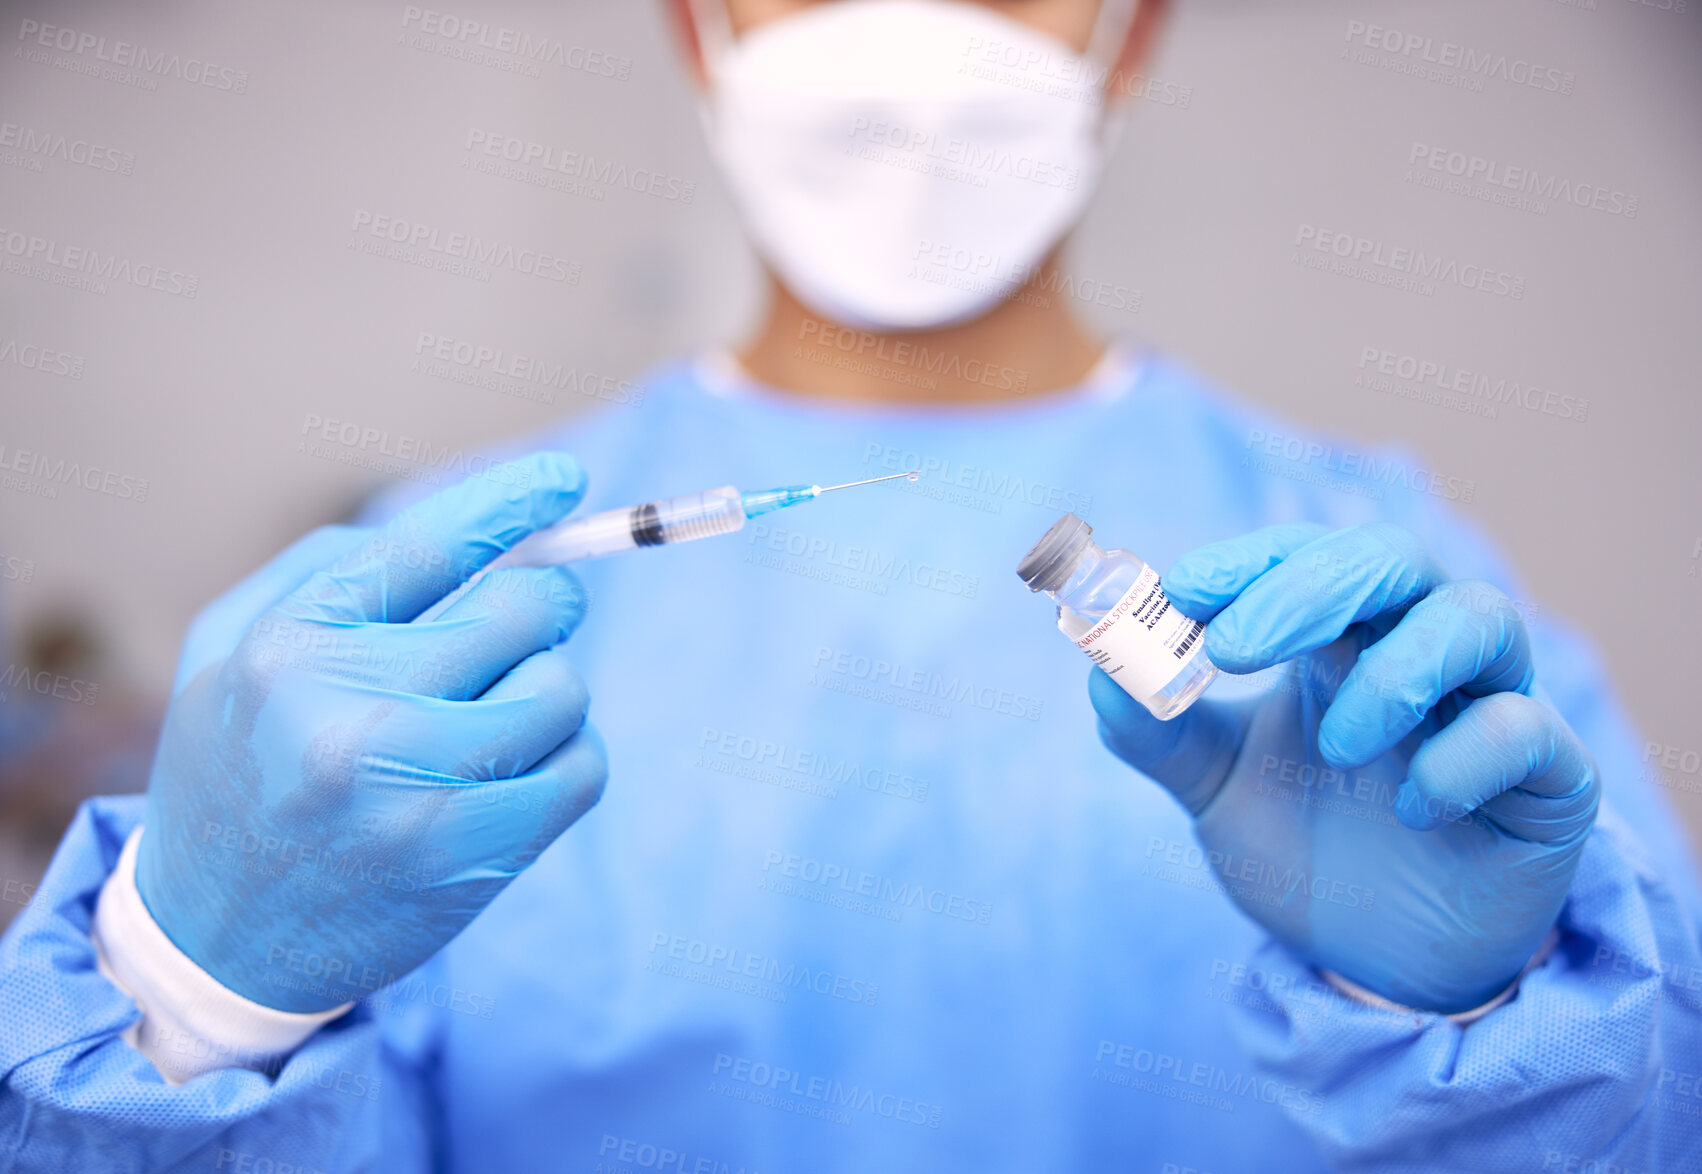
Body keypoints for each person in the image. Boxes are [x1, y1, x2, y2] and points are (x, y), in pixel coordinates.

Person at [3, 1, 1699, 1169]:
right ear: (696, 29)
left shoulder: (1373, 594)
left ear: (1136, 32)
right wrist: (195, 996)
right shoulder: (432, 582)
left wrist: (1464, 1013)